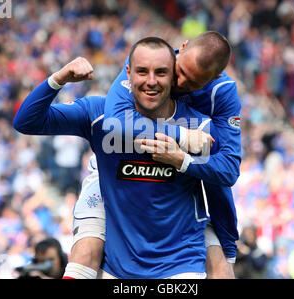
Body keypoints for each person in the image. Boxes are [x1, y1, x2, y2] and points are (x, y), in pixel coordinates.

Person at [14, 37, 226, 278]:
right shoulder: (98, 114)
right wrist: (59, 78)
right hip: (119, 266)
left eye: (161, 73)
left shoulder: (200, 128)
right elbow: (26, 121)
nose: (151, 81)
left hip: (179, 264)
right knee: (84, 254)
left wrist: (226, 251)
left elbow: (222, 183)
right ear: (128, 72)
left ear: (174, 76)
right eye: (142, 72)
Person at [64, 31, 241, 279]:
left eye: (192, 83)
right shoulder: (149, 62)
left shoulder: (221, 94)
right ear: (183, 47)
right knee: (85, 252)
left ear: (214, 77)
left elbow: (226, 169)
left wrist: (182, 159)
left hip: (177, 179)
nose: (179, 83)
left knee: (222, 270)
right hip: (114, 170)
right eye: (179, 71)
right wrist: (181, 135)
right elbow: (117, 121)